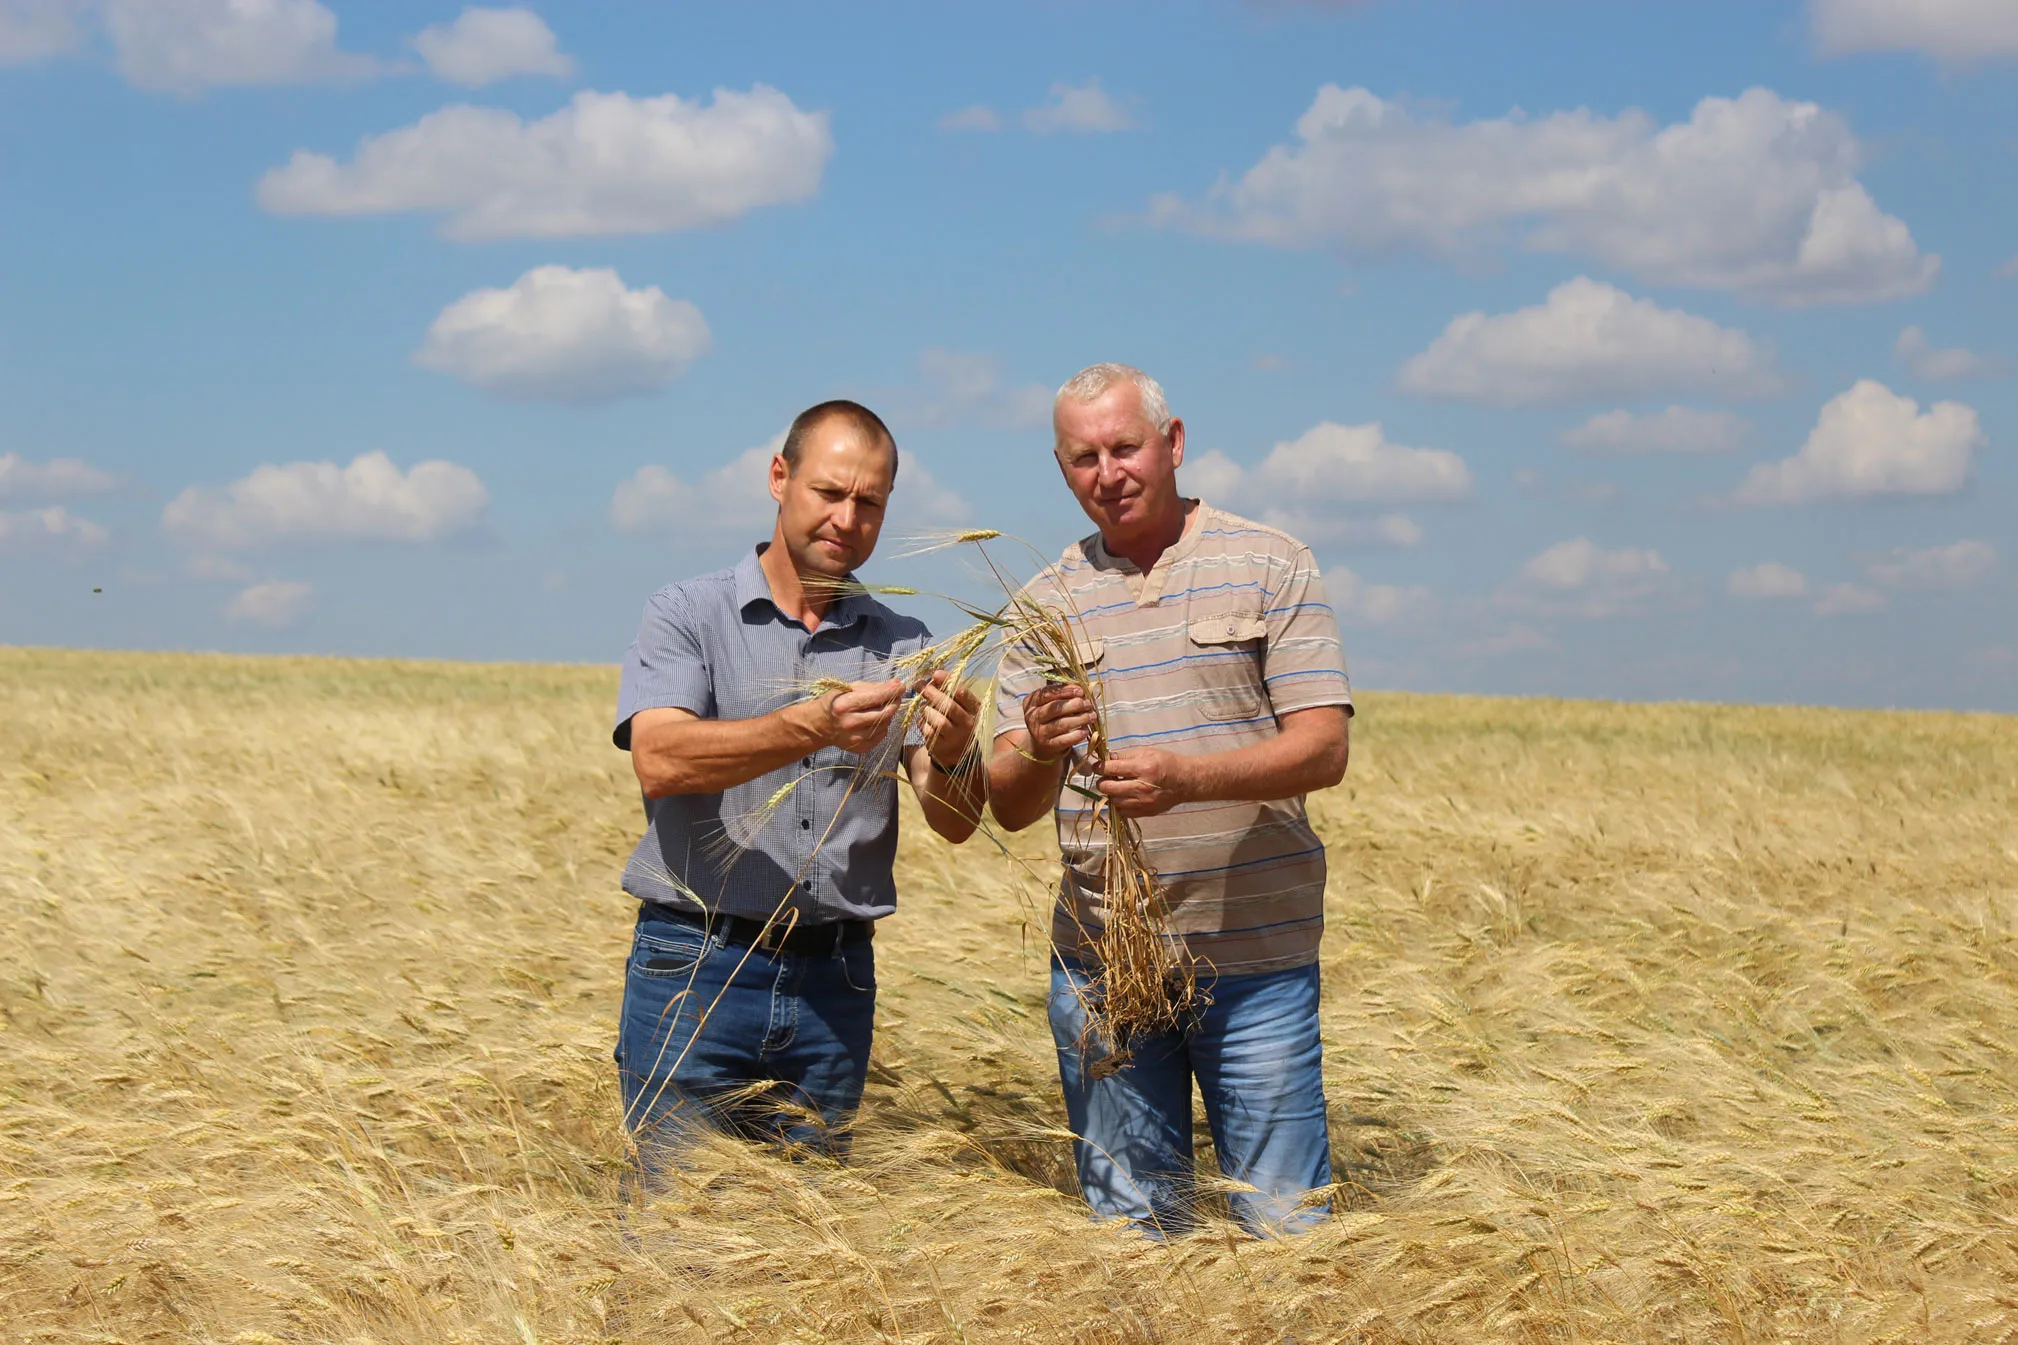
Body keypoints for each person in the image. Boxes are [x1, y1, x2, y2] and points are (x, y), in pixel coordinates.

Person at [988, 363, 1352, 1238]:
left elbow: (1324, 748)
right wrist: (1038, 742)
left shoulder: (1270, 562)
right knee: (1138, 1241)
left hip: (1253, 965)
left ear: (1174, 442)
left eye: (1125, 447)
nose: (1107, 473)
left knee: (1284, 1231)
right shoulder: (1045, 603)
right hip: (1103, 964)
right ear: (1061, 467)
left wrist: (1190, 778)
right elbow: (1005, 799)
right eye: (1083, 457)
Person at [612, 399, 983, 1181]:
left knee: (808, 1256)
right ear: (780, 478)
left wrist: (952, 753)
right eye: (830, 492)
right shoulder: (687, 613)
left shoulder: (906, 644)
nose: (848, 518)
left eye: (870, 502)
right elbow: (661, 759)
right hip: (695, 965)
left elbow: (953, 821)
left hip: (835, 982)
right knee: (677, 1244)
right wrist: (813, 725)